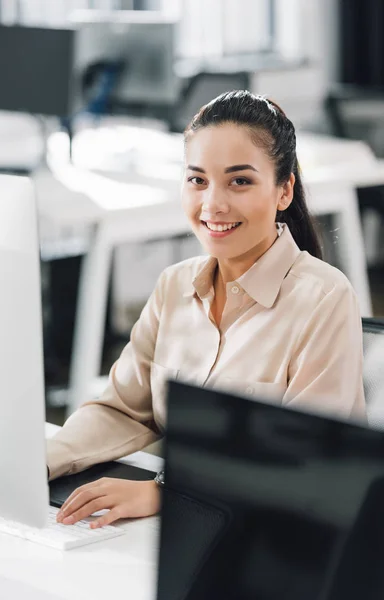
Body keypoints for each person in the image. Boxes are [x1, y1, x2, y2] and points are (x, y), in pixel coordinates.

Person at [47, 91, 366, 528]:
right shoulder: (173, 286)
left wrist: (167, 492)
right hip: (184, 531)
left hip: (275, 542)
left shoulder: (325, 299)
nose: (213, 204)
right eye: (198, 180)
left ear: (284, 190)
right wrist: (42, 461)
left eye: (239, 181)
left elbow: (305, 462)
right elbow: (120, 409)